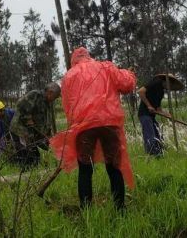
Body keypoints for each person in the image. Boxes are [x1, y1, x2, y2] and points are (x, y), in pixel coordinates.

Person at [49, 47, 136, 209]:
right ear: (88, 56)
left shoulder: (69, 76)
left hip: (84, 127)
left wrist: (76, 123)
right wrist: (128, 73)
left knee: (85, 169)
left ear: (73, 60)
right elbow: (127, 84)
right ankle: (120, 208)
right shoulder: (105, 67)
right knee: (114, 167)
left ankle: (87, 210)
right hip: (109, 122)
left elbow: (68, 106)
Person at [10, 82, 61, 169]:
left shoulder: (46, 103)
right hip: (21, 130)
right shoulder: (35, 95)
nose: (54, 99)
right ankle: (24, 173)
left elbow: (43, 121)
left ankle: (31, 172)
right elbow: (20, 104)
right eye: (55, 97)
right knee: (29, 155)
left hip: (32, 132)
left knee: (36, 155)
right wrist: (28, 119)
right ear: (50, 92)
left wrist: (48, 133)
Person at [138, 77, 173, 156]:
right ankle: (152, 155)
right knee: (150, 136)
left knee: (158, 136)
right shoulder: (156, 83)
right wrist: (149, 106)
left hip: (151, 116)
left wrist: (167, 114)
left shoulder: (161, 92)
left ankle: (160, 154)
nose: (170, 86)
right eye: (169, 84)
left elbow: (158, 109)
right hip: (144, 114)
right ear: (165, 81)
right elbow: (140, 92)